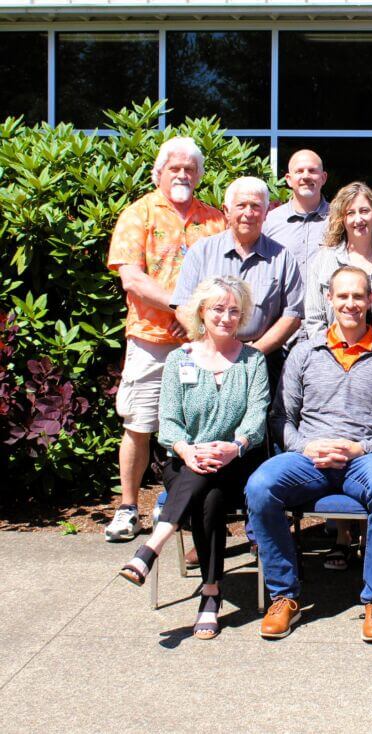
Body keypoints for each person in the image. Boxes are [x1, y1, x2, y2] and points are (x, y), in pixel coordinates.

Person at [245, 266, 372, 643]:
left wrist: (361, 448)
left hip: (365, 458)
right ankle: (283, 596)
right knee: (260, 487)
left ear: (371, 300)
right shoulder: (305, 353)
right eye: (343, 297)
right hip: (310, 457)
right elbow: (279, 418)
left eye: (358, 296)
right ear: (329, 299)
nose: (351, 304)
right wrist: (305, 446)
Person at [118, 276, 269, 639]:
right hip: (185, 460)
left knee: (214, 490)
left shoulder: (253, 361)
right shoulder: (178, 360)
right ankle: (211, 594)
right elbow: (167, 421)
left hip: (236, 463)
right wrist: (187, 449)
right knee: (206, 489)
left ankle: (154, 544)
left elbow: (257, 415)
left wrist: (234, 446)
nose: (226, 317)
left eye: (234, 310)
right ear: (202, 311)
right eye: (218, 309)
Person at [105, 136, 226, 542]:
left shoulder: (214, 219)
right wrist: (180, 309)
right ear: (159, 173)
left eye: (190, 169)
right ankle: (127, 508)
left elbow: (225, 278)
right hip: (151, 338)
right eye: (174, 168)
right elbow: (132, 278)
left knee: (199, 427)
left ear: (199, 175)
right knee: (140, 423)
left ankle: (183, 510)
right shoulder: (138, 214)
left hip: (200, 343)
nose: (182, 174)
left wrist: (195, 320)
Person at [171, 176, 304, 394]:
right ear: (226, 210)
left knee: (257, 425)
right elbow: (183, 306)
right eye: (241, 205)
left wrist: (253, 353)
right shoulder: (201, 251)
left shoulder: (282, 257)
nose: (248, 213)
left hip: (261, 360)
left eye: (255, 206)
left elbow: (292, 315)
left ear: (267, 211)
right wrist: (213, 346)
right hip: (207, 359)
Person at [305, 182, 372, 350]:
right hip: (333, 361)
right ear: (341, 219)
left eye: (364, 211)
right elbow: (314, 319)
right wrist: (330, 357)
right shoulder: (323, 261)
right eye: (350, 213)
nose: (358, 219)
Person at [262, 149, 329, 287]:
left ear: (323, 178)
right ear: (288, 179)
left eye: (312, 171)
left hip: (328, 307)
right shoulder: (270, 221)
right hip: (282, 307)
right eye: (299, 171)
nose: (306, 176)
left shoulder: (339, 219)